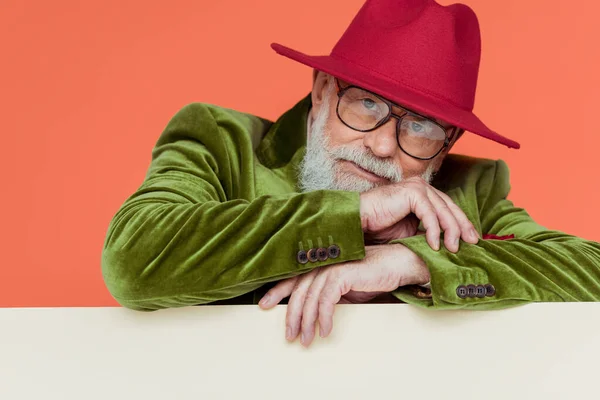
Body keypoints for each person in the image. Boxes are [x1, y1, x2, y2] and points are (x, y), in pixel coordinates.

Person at [101, 0, 600, 347]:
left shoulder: (469, 191)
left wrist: (416, 261)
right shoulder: (220, 142)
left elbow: (588, 269)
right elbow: (131, 259)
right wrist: (353, 217)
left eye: (421, 127)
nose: (382, 145)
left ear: (447, 148)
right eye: (366, 104)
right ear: (321, 91)